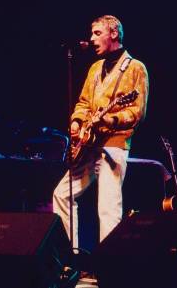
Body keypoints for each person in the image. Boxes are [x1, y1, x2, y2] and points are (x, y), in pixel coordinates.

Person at [53, 15, 149, 252]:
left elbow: (137, 112)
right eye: (92, 33)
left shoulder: (135, 67)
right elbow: (84, 102)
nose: (91, 38)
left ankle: (110, 267)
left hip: (114, 143)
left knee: (107, 206)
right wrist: (77, 122)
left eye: (97, 33)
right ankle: (71, 256)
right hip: (88, 143)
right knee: (61, 194)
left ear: (114, 33)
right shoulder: (95, 68)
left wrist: (109, 118)